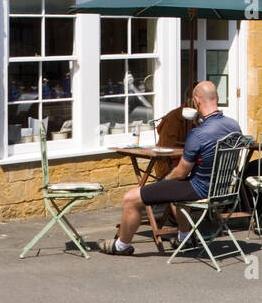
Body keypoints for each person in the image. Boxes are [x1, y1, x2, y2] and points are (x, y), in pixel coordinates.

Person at [100, 80, 240, 255]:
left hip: (199, 188)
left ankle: (121, 245)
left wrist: (164, 181)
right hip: (221, 189)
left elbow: (181, 172)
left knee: (131, 198)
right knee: (176, 194)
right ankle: (184, 237)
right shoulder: (234, 126)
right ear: (217, 97)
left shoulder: (198, 134)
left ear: (196, 100)